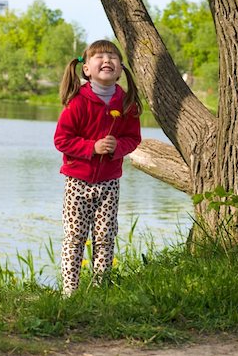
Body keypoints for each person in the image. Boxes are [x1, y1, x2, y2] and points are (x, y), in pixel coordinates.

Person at [54, 39, 142, 295]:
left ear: (121, 68)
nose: (107, 60)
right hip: (77, 182)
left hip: (109, 183)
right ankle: (70, 292)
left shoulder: (126, 104)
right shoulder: (78, 102)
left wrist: (117, 147)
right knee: (75, 237)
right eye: (99, 57)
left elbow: (133, 139)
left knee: (105, 237)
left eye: (113, 57)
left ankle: (100, 290)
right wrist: (92, 148)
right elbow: (62, 140)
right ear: (86, 69)